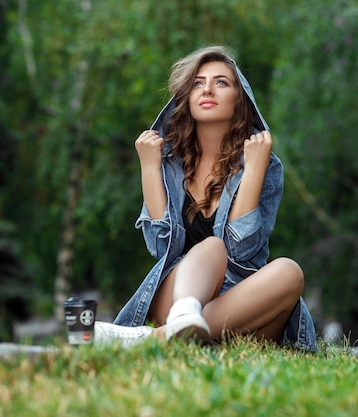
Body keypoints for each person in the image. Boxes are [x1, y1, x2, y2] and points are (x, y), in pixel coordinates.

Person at [95, 46, 318, 351]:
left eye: (221, 82)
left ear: (240, 99)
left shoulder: (265, 164)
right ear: (186, 96)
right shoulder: (166, 162)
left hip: (244, 304)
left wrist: (252, 169)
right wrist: (149, 167)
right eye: (198, 83)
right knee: (211, 248)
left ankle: (160, 339)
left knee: (289, 272)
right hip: (178, 295)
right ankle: (184, 320)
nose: (208, 89)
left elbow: (242, 252)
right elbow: (161, 248)